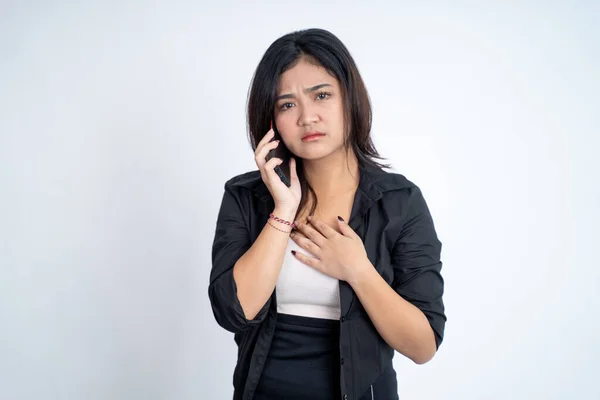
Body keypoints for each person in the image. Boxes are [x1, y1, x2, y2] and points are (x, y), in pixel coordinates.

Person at [209, 28, 446, 400]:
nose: (307, 117)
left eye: (322, 95)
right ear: (271, 121)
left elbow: (423, 346)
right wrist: (284, 209)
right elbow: (234, 312)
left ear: (349, 99)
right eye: (287, 104)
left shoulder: (399, 201)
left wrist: (357, 269)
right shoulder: (245, 196)